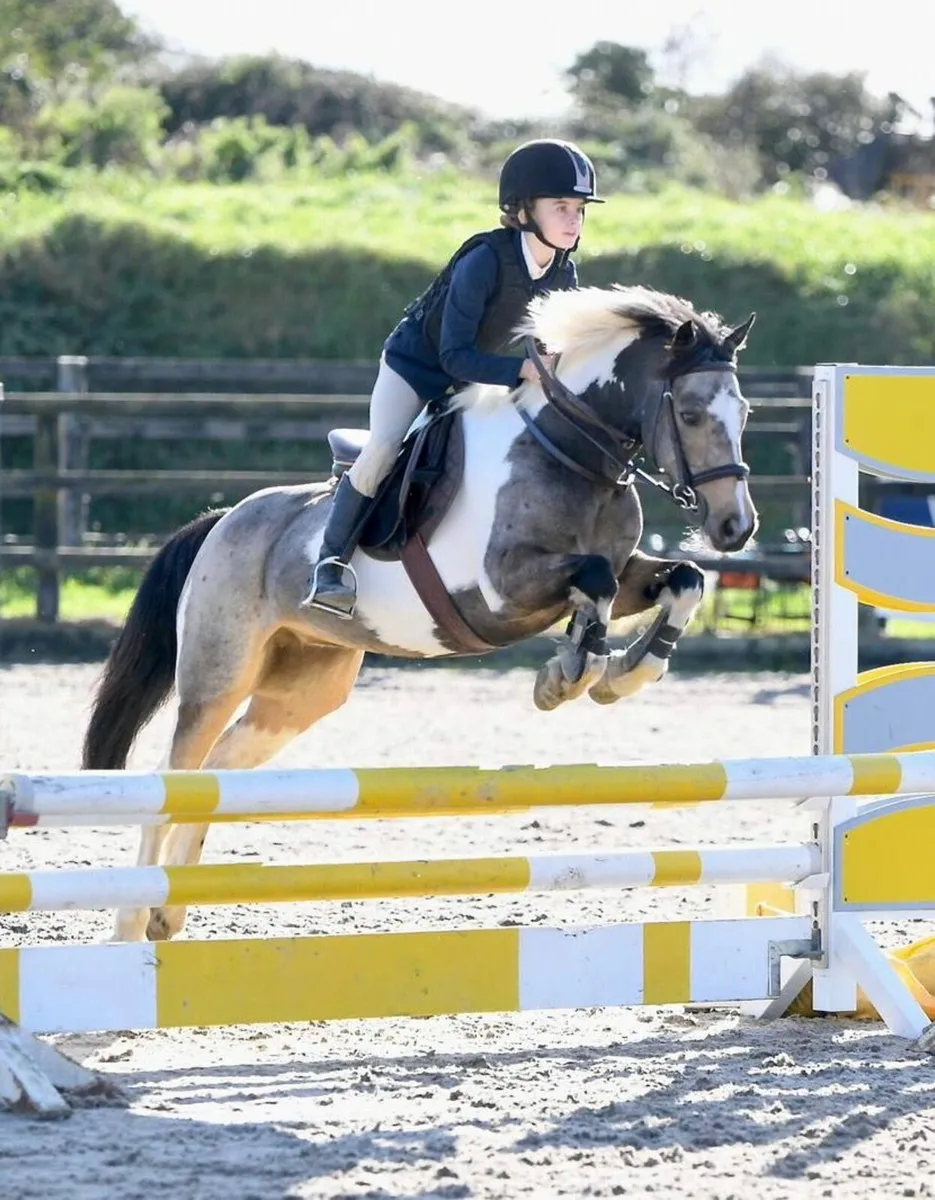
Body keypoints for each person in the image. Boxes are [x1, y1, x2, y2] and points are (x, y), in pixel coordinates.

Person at [301, 137, 603, 617]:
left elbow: (550, 350)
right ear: (523, 211)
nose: (574, 220)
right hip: (419, 369)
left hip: (482, 380)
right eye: (561, 207)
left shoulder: (564, 276)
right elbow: (454, 356)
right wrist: (522, 370)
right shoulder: (484, 261)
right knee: (383, 448)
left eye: (580, 209)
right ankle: (330, 565)